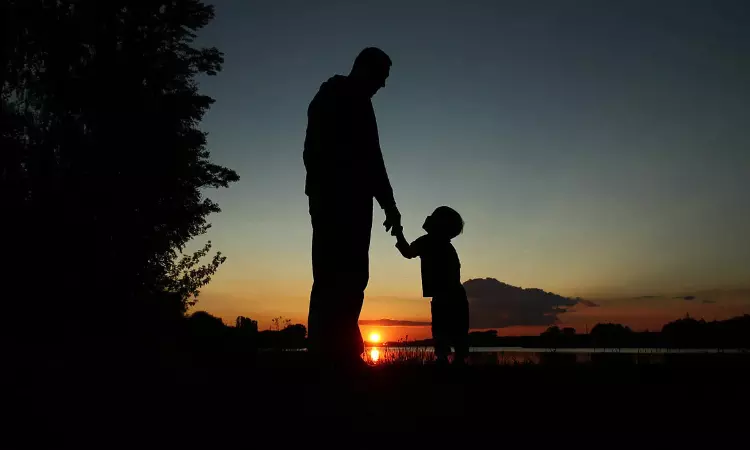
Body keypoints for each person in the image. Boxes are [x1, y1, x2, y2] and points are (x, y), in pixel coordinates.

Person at [304, 47, 402, 368]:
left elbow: (373, 158)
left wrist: (388, 205)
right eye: (381, 76)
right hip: (335, 202)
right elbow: (318, 153)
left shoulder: (360, 102)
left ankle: (343, 352)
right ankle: (327, 353)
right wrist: (329, 193)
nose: (383, 84)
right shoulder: (333, 95)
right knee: (332, 276)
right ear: (363, 68)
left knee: (353, 277)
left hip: (354, 202)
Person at [393, 207, 469, 365]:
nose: (428, 218)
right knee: (456, 328)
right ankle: (455, 358)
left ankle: (445, 358)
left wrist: (399, 233)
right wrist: (398, 233)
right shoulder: (441, 244)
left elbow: (407, 252)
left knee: (444, 328)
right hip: (454, 293)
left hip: (445, 294)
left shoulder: (427, 241)